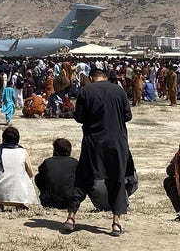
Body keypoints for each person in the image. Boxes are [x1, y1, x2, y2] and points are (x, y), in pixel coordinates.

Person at [65, 67, 134, 236]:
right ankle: (116, 222)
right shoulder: (118, 90)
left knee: (83, 178)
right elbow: (128, 116)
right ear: (105, 77)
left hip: (93, 142)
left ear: (91, 77)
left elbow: (79, 117)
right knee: (116, 180)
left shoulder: (85, 91)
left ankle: (71, 217)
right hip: (116, 142)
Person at [0, 127, 38, 211]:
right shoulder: (23, 152)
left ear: (3, 139)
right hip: (20, 197)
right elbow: (31, 173)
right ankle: (20, 205)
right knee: (26, 177)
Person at [35, 138, 78, 209]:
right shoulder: (75, 162)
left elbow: (39, 177)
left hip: (48, 201)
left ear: (56, 151)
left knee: (38, 176)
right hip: (70, 201)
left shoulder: (48, 162)